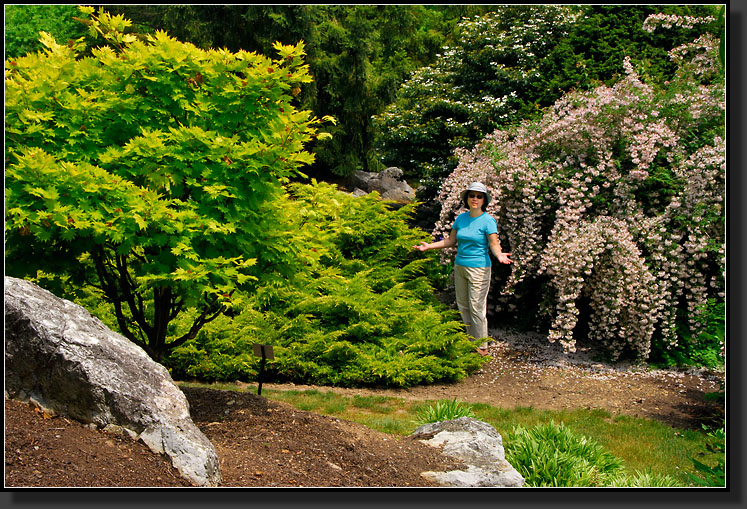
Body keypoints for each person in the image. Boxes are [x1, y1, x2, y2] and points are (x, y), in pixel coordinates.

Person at [413, 182, 512, 356]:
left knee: (476, 307)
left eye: (479, 196)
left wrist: (499, 255)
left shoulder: (488, 220)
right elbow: (451, 241)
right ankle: (471, 341)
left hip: (479, 268)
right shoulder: (461, 218)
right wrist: (428, 246)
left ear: (484, 200)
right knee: (463, 305)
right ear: (467, 198)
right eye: (472, 195)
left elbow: (494, 243)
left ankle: (482, 347)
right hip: (460, 266)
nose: (475, 199)